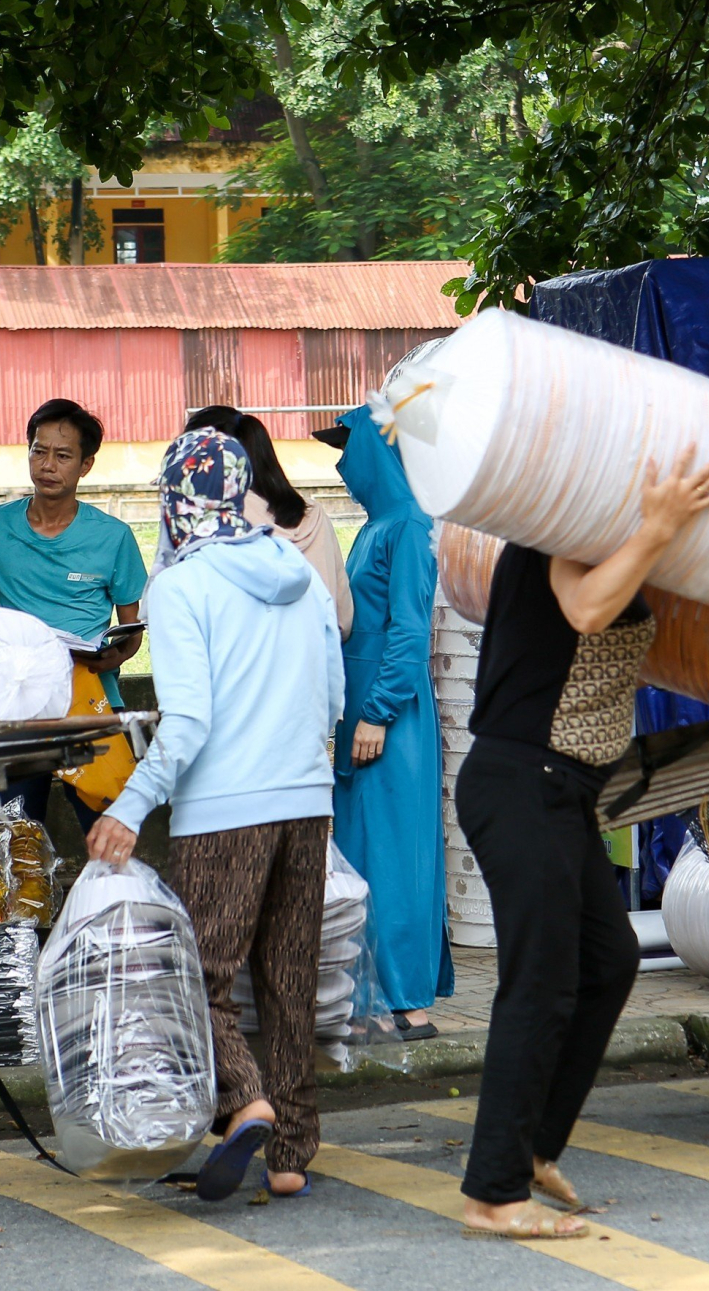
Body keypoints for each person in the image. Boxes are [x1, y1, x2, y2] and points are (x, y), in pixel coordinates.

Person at [457, 444, 709, 1241]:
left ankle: (532, 1146)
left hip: (562, 792)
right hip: (519, 781)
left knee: (606, 962)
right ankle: (493, 1193)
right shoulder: (557, 540)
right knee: (539, 983)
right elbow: (583, 611)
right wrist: (659, 527)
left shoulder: (606, 547)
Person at [84, 428, 345, 1203]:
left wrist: (131, 805)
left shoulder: (181, 586)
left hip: (225, 809)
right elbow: (332, 697)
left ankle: (243, 1101)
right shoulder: (299, 573)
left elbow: (188, 721)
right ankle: (291, 1155)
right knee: (289, 981)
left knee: (196, 975)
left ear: (173, 501)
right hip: (307, 799)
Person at [319, 406, 451, 1038]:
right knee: (365, 853)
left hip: (388, 718)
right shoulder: (377, 526)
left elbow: (410, 629)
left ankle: (410, 1004)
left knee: (397, 855)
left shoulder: (408, 525)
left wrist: (377, 713)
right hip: (364, 709)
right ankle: (375, 997)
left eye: (349, 447)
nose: (342, 463)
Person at [0, 398, 147, 830]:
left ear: (86, 465)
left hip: (90, 704)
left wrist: (106, 660)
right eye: (38, 451)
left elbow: (131, 633)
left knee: (110, 834)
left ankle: (114, 900)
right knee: (13, 840)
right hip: (13, 706)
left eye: (63, 455)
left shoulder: (113, 537)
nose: (48, 464)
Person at [173, 408, 353, 637]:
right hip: (315, 661)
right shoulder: (313, 515)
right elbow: (342, 618)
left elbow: (186, 623)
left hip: (237, 666)